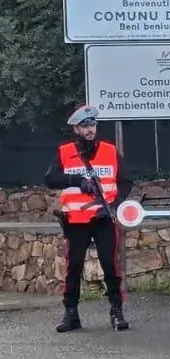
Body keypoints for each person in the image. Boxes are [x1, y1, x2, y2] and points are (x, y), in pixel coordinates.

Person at [45, 105, 133, 333]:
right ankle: (71, 314)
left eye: (92, 125)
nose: (90, 129)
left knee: (109, 265)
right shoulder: (65, 152)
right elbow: (51, 178)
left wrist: (117, 202)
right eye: (85, 126)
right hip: (76, 220)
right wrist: (76, 181)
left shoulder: (110, 151)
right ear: (76, 128)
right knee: (73, 267)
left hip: (104, 218)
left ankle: (116, 311)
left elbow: (125, 181)